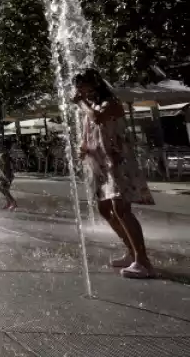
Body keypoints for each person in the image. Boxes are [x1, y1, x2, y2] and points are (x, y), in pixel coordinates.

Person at [74, 68, 156, 279]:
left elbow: (98, 119)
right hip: (101, 164)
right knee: (104, 208)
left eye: (82, 85)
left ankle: (143, 261)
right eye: (78, 87)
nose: (80, 90)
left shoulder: (111, 104)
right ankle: (131, 252)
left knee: (121, 208)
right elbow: (90, 130)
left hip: (118, 162)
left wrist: (80, 102)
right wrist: (83, 147)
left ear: (95, 85)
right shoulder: (91, 106)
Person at [0, 139, 18, 211]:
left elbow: (6, 167)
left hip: (7, 175)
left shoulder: (4, 155)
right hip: (7, 175)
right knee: (2, 189)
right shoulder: (5, 155)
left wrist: (4, 176)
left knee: (4, 190)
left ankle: (13, 203)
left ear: (4, 147)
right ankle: (9, 203)